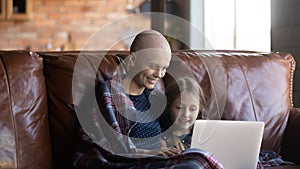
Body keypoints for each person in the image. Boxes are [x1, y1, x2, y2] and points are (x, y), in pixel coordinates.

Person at [73, 30, 224, 169]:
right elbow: (110, 146)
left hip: (161, 162)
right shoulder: (109, 94)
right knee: (195, 165)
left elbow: (173, 129)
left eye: (164, 68)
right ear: (132, 59)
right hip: (133, 164)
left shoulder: (156, 98)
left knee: (199, 157)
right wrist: (148, 153)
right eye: (153, 66)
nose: (160, 74)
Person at [159, 77, 206, 151]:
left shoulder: (204, 134)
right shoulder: (160, 135)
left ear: (199, 110)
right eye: (179, 107)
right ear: (168, 107)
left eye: (192, 109)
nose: (186, 114)